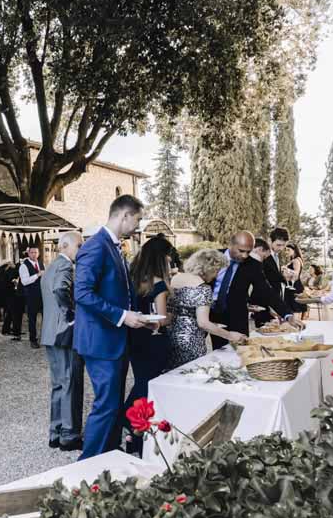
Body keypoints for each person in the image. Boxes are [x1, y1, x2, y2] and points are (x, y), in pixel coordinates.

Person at [74, 195, 152, 460]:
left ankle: (107, 458)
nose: (138, 226)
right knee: (106, 406)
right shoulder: (96, 246)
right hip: (101, 341)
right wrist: (122, 316)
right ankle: (85, 468)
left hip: (115, 338)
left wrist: (135, 316)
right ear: (124, 216)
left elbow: (117, 292)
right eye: (138, 219)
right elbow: (82, 293)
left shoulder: (114, 246)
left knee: (114, 405)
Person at [125, 236, 175, 454]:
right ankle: (126, 422)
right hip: (154, 342)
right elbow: (161, 319)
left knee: (141, 384)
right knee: (146, 388)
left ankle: (132, 433)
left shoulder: (133, 278)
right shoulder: (159, 284)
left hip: (135, 339)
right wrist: (173, 316)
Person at [210, 231, 298, 349]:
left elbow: (267, 291)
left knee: (242, 352)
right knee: (217, 353)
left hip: (237, 316)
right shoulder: (211, 257)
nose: (245, 256)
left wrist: (287, 314)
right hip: (209, 314)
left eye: (248, 251)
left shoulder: (253, 265)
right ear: (231, 245)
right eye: (241, 251)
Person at [40, 231, 85, 452]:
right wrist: (72, 314)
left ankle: (55, 432)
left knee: (58, 384)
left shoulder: (50, 266)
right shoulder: (66, 266)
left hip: (49, 332)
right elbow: (60, 290)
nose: (81, 249)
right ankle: (69, 434)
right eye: (79, 245)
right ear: (65, 245)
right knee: (69, 383)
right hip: (62, 332)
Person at [167, 248, 247, 369]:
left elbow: (180, 310)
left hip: (172, 336)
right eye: (217, 271)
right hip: (192, 340)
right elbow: (203, 323)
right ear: (209, 268)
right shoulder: (203, 288)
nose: (216, 275)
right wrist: (230, 335)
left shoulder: (176, 279)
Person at [19, 245, 45, 348]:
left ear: (38, 254)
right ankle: (33, 340)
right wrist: (37, 275)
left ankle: (45, 337)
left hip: (42, 295)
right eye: (32, 252)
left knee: (45, 317)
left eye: (36, 252)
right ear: (28, 253)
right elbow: (25, 282)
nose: (34, 254)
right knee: (32, 319)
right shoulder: (24, 266)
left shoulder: (41, 263)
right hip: (31, 296)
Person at [281, 243, 308, 317]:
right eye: (286, 250)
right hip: (290, 287)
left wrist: (286, 269)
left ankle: (297, 327)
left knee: (295, 310)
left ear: (294, 250)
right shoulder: (292, 260)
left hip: (295, 287)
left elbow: (296, 274)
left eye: (288, 250)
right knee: (290, 310)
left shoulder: (296, 260)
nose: (286, 252)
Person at [2, 260, 23, 339]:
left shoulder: (8, 271)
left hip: (11, 295)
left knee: (10, 313)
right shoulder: (10, 272)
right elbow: (11, 281)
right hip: (11, 295)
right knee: (14, 314)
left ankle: (6, 330)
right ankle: (15, 332)